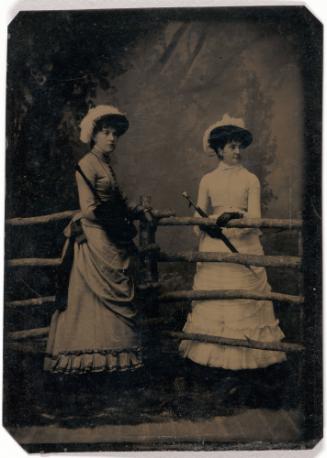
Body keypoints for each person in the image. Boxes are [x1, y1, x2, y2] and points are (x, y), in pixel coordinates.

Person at [179, 114, 287, 406]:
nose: (237, 152)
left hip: (244, 247)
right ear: (218, 150)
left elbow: (256, 220)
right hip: (216, 249)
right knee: (217, 306)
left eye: (239, 146)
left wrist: (235, 217)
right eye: (231, 147)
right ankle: (214, 375)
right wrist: (208, 223)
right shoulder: (207, 180)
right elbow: (195, 219)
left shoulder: (250, 179)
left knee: (245, 306)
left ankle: (247, 378)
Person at [44, 105, 144, 377]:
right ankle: (86, 358)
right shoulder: (87, 164)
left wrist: (134, 210)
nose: (112, 139)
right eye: (106, 133)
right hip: (95, 238)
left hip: (110, 235)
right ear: (94, 136)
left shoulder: (106, 165)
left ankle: (116, 358)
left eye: (115, 134)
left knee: (114, 293)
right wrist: (114, 216)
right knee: (89, 299)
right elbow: (88, 207)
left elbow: (117, 201)